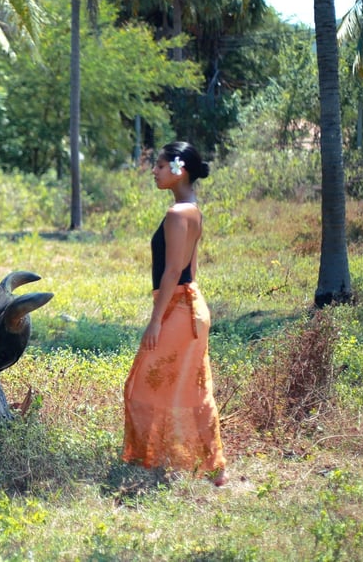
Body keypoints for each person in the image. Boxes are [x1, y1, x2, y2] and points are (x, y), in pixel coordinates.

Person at [122, 142, 227, 486]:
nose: (155, 171)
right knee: (193, 390)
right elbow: (191, 269)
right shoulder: (192, 209)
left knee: (143, 384)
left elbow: (173, 272)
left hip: (179, 310)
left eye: (161, 165)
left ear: (179, 169)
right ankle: (212, 467)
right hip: (192, 306)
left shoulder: (177, 214)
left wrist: (156, 319)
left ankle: (152, 459)